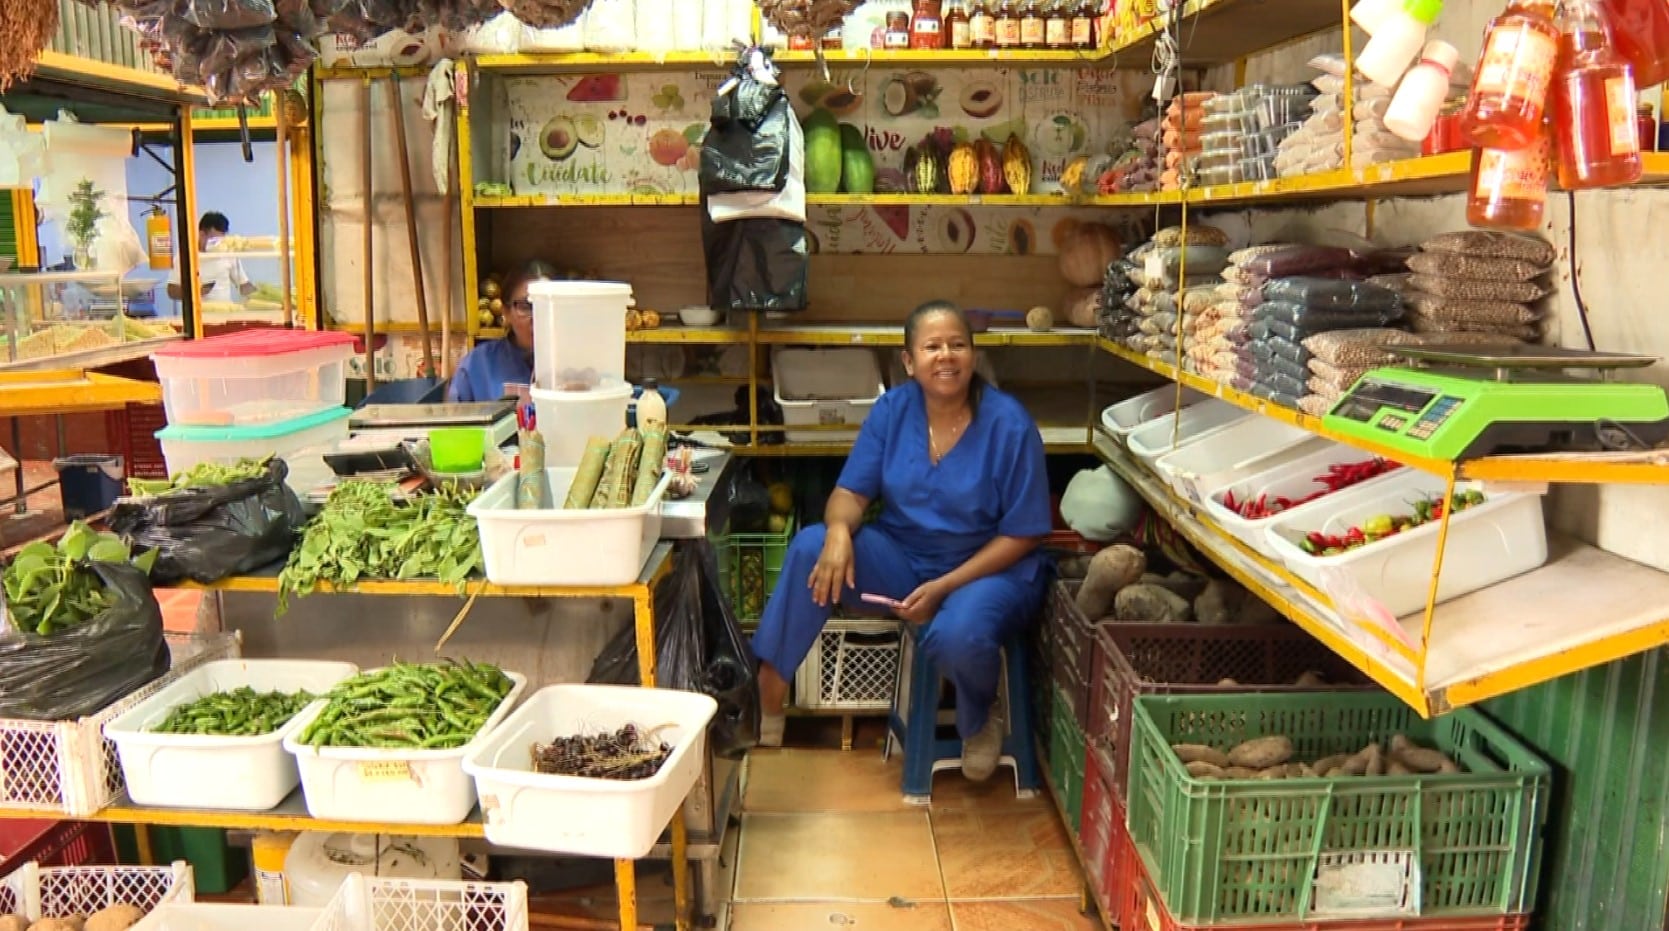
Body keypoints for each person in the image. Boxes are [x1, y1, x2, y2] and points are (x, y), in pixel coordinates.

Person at [750, 301, 1052, 782]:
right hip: (906, 559)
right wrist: (836, 531)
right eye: (932, 347)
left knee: (957, 632)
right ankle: (771, 684)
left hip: (990, 570)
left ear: (973, 356)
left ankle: (981, 715)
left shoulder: (1008, 424)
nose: (946, 356)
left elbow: (1024, 532)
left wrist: (945, 587)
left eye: (957, 345)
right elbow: (851, 492)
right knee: (809, 546)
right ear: (909, 361)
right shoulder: (893, 409)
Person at [447, 260, 556, 403]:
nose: (537, 316)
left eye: (546, 306)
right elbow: (456, 421)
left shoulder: (573, 364)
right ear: (506, 312)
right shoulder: (478, 365)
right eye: (525, 306)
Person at [166, 212, 256, 302]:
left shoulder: (228, 254)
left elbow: (243, 285)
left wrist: (260, 297)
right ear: (201, 234)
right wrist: (196, 292)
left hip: (225, 312)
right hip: (198, 313)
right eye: (214, 240)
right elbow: (172, 291)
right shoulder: (185, 256)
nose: (218, 244)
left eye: (221, 240)